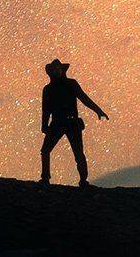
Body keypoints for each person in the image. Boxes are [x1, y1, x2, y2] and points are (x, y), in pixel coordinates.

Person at [39, 58, 108, 187]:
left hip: (71, 123)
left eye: (58, 69)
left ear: (62, 70)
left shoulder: (71, 84)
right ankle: (45, 178)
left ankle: (83, 180)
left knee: (78, 153)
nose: (56, 71)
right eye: (54, 70)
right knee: (45, 150)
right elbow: (46, 109)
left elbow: (84, 98)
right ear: (51, 72)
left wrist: (98, 110)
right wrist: (44, 124)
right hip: (57, 123)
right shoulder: (47, 89)